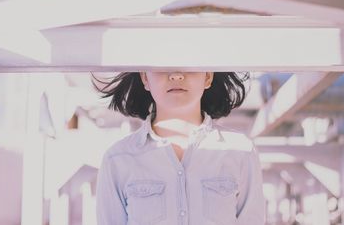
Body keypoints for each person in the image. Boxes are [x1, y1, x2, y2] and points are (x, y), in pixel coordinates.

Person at [94, 72, 265, 225]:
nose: (176, 75)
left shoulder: (241, 151)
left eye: (188, 65)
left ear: (208, 76)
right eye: (163, 67)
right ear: (145, 78)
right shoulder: (117, 159)